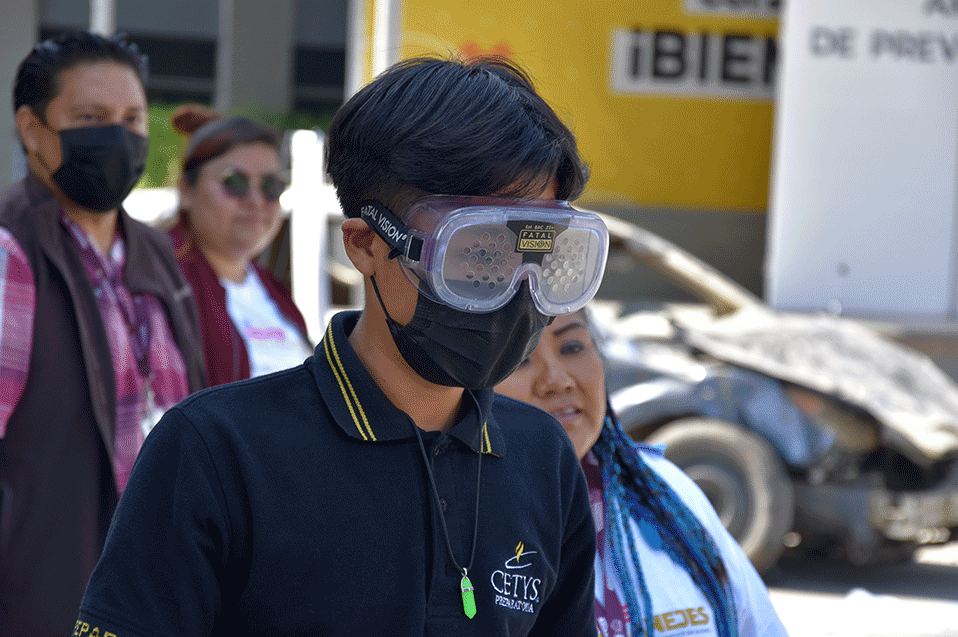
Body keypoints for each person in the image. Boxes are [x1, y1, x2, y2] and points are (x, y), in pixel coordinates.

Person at [75, 55, 603, 636]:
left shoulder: (544, 460)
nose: (516, 288)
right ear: (366, 246)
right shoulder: (215, 453)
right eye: (477, 254)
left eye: (543, 253)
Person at [0, 31, 206, 636]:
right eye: (91, 118)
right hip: (41, 598)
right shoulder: (12, 251)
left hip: (149, 596)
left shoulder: (156, 254)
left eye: (132, 119)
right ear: (33, 129)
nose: (117, 137)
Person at [495, 309, 790, 637]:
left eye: (572, 347)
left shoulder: (663, 489)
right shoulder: (462, 519)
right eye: (520, 357)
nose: (557, 379)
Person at [169, 104, 311, 386]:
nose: (255, 201)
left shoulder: (273, 290)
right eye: (234, 182)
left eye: (271, 186)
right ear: (186, 190)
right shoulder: (161, 281)